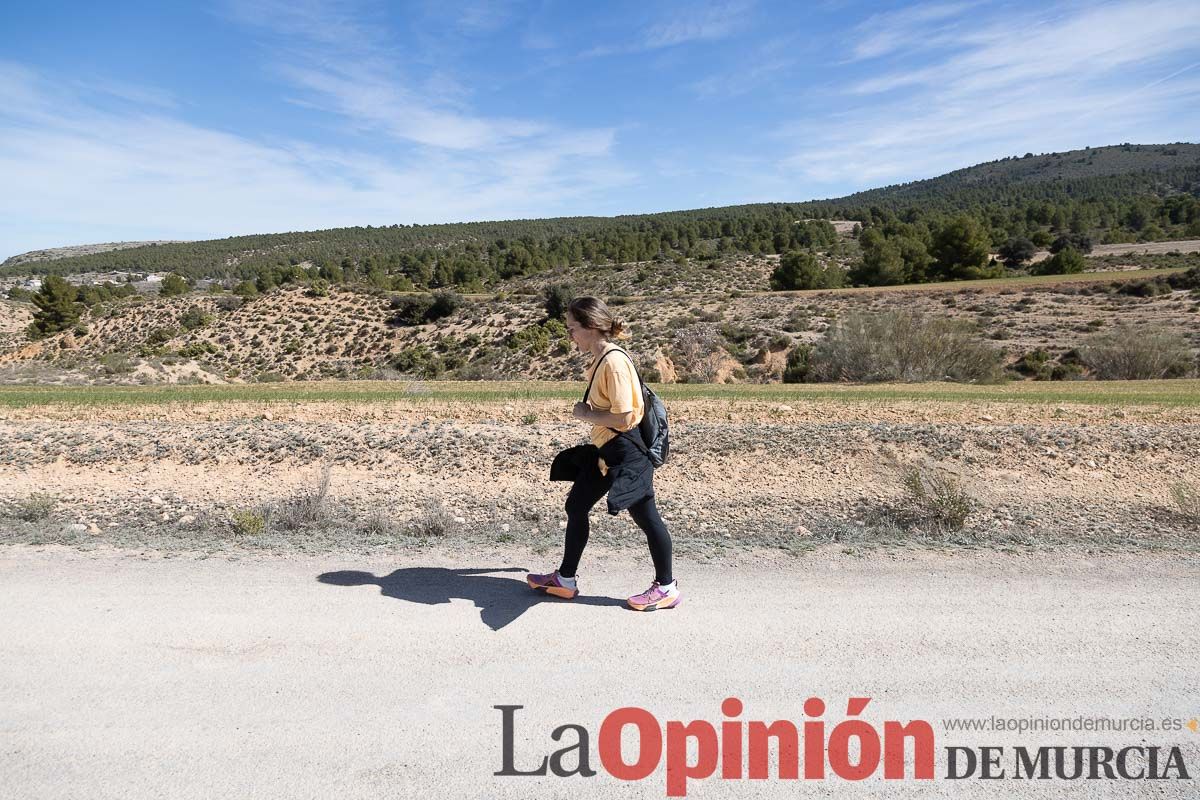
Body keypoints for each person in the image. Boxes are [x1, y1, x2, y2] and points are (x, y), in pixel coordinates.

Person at [527, 296, 680, 611]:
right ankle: (565, 580)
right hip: (606, 451)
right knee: (577, 504)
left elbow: (625, 418)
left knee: (645, 514)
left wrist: (586, 415)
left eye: (572, 329)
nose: (570, 336)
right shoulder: (600, 358)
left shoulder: (613, 362)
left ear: (591, 327)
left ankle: (666, 587)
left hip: (627, 451)